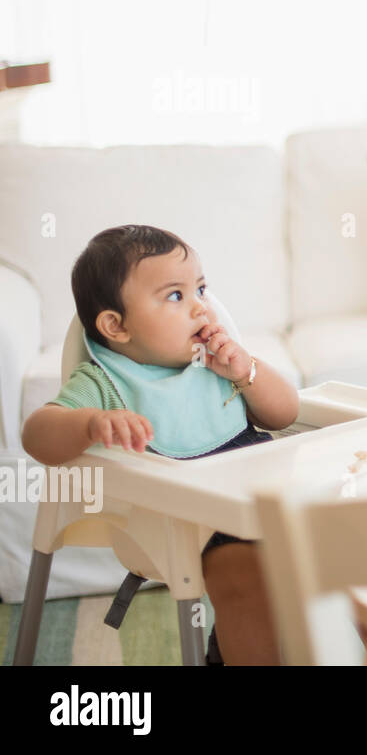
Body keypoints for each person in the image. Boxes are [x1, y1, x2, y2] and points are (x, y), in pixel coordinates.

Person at [22, 225, 299, 665]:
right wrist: (92, 423)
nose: (200, 308)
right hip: (195, 521)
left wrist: (247, 371)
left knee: (355, 555)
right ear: (116, 326)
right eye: (176, 296)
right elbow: (37, 434)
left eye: (202, 289)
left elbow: (285, 414)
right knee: (243, 581)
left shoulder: (217, 363)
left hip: (276, 498)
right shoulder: (103, 382)